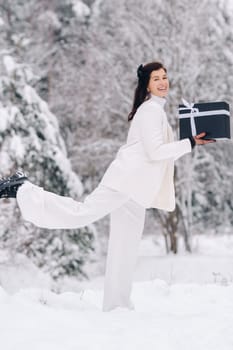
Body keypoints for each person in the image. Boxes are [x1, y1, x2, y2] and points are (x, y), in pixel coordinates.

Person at [0, 61, 215, 311]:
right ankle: (24, 190)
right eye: (156, 78)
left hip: (136, 190)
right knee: (81, 214)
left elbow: (157, 153)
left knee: (125, 247)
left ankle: (117, 306)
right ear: (147, 84)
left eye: (165, 77)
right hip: (124, 182)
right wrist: (188, 143)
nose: (163, 82)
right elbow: (156, 152)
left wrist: (190, 142)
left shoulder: (155, 110)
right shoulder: (150, 111)